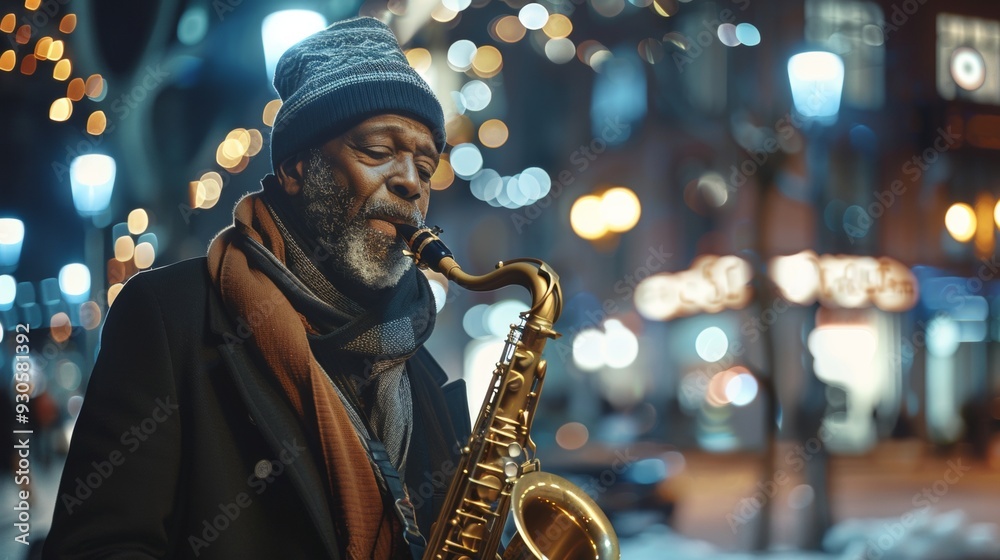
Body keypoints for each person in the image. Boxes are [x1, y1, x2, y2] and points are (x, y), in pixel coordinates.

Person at [43, 16, 471, 560]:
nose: (411, 181)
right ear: (296, 168)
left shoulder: (421, 369)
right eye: (378, 151)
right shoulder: (171, 316)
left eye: (425, 166)